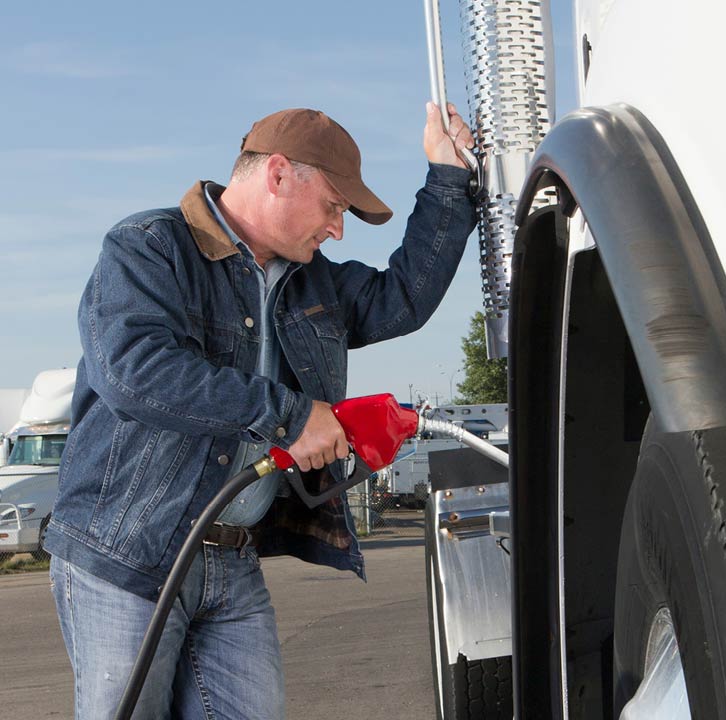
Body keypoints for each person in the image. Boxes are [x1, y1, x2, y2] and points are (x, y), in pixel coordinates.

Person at [44, 102, 477, 719]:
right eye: (332, 205)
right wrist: (292, 416)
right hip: (127, 556)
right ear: (277, 174)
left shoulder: (312, 282)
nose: (337, 229)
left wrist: (445, 177)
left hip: (233, 558)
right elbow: (133, 372)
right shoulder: (150, 248)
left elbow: (401, 298)